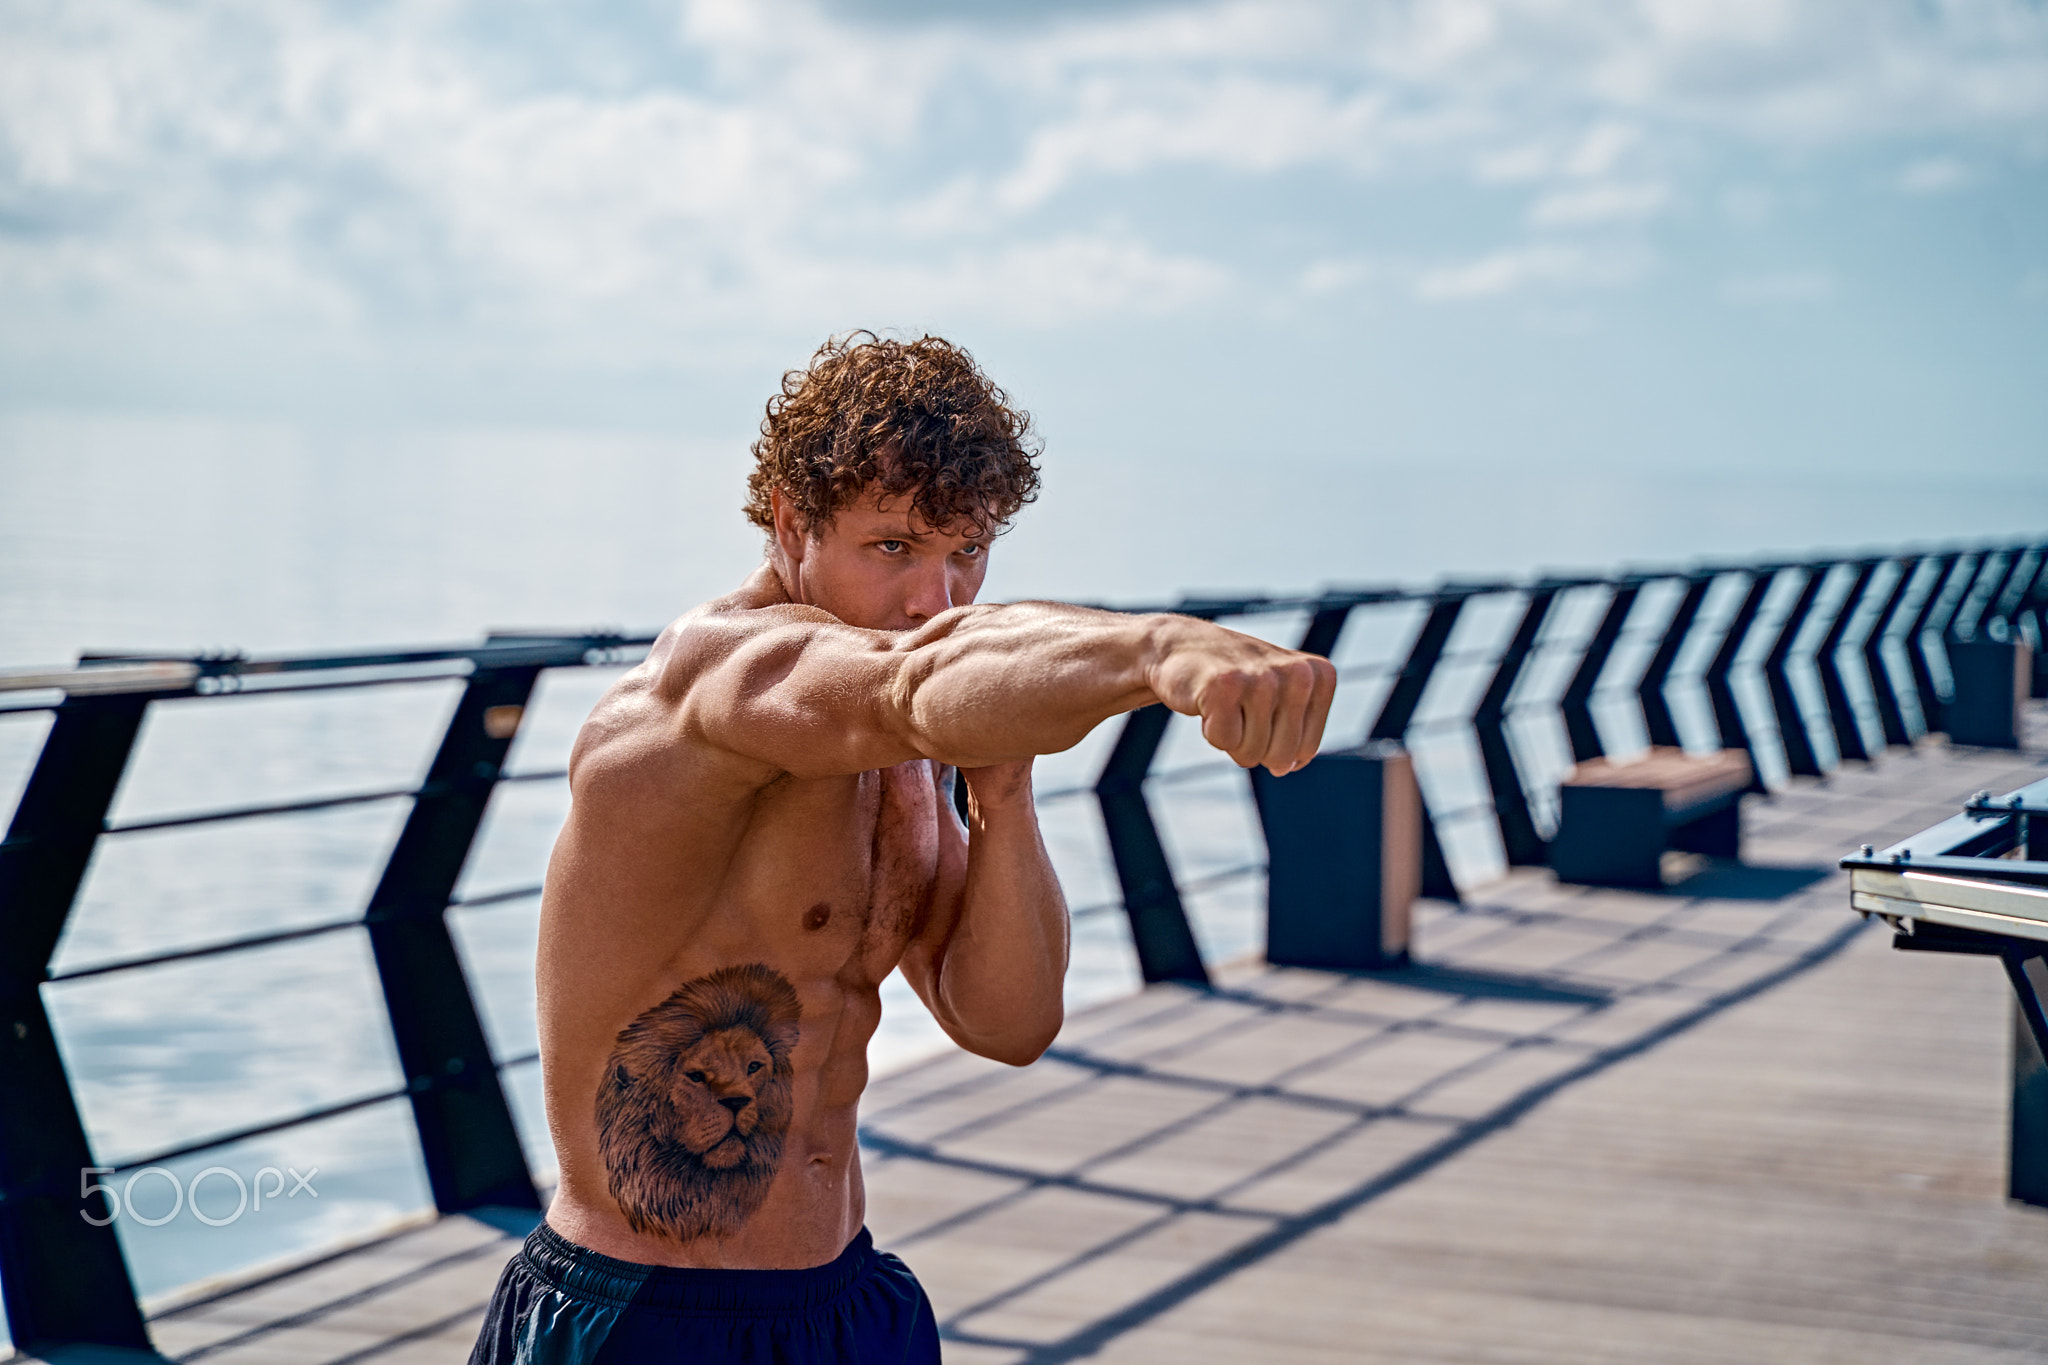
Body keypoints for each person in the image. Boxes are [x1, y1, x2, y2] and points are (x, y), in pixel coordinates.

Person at [469, 332, 1336, 1364]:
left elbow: (1007, 1022)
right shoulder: (711, 685)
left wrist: (1002, 797)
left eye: (964, 552)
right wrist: (1158, 648)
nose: (937, 600)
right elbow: (914, 679)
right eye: (892, 548)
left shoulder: (897, 756)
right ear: (792, 525)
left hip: (845, 1302)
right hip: (650, 1316)